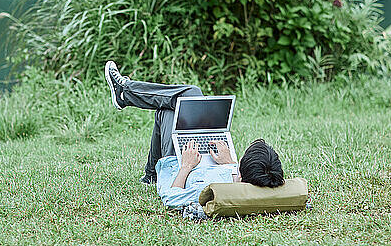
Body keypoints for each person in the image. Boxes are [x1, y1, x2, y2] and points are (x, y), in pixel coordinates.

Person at [104, 61, 285, 209]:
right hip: (201, 161)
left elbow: (172, 199)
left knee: (185, 98)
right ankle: (150, 176)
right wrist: (230, 163)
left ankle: (125, 92)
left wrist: (186, 166)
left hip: (179, 163)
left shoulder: (213, 188)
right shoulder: (239, 175)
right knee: (170, 108)